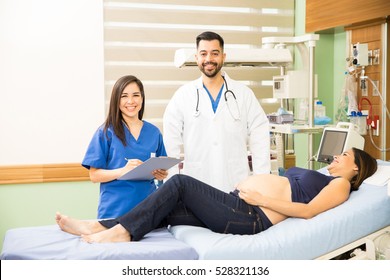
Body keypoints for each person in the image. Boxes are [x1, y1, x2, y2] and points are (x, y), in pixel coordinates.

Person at [56, 147, 377, 243]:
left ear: (356, 168)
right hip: (241, 205)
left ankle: (120, 234)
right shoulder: (325, 176)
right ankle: (97, 225)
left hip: (252, 215)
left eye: (344, 156)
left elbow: (307, 212)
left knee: (180, 185)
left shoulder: (342, 185)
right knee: (168, 207)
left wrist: (261, 199)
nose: (336, 158)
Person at [163, 31, 270, 192]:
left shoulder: (243, 94)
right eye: (203, 54)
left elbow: (260, 139)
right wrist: (170, 189)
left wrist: (261, 184)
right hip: (196, 186)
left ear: (223, 56)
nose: (209, 59)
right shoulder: (183, 96)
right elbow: (171, 145)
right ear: (196, 58)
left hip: (236, 184)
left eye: (215, 53)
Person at [82, 75, 168, 219]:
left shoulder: (154, 132)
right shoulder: (105, 132)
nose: (131, 101)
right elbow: (94, 175)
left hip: (148, 211)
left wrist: (161, 174)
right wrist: (122, 171)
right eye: (124, 96)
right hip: (115, 212)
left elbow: (161, 169)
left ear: (142, 99)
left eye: (136, 95)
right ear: (117, 100)